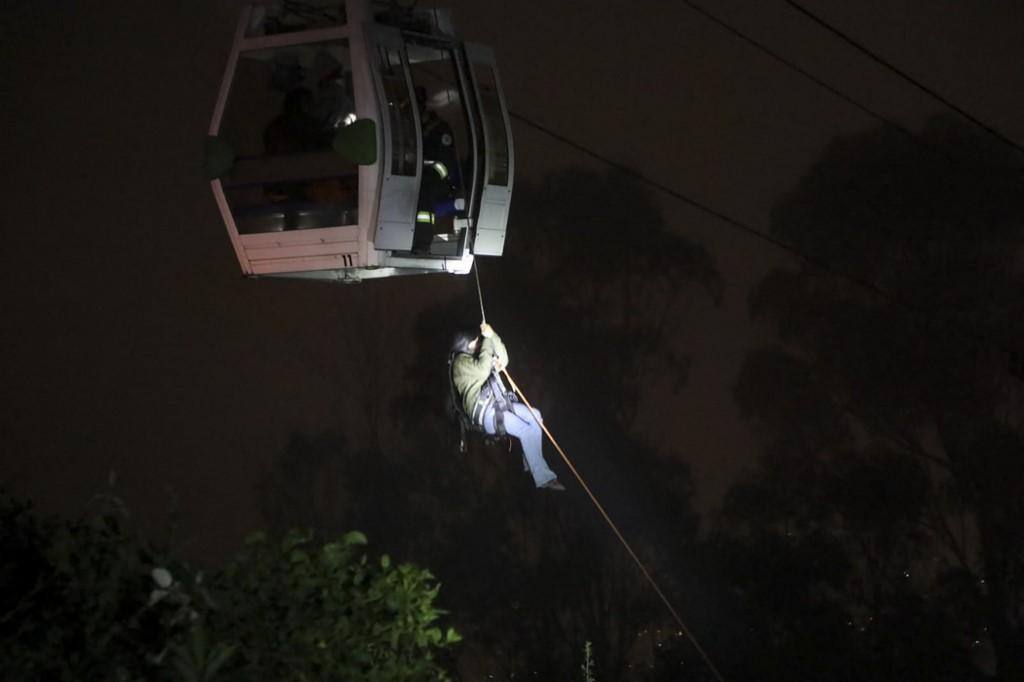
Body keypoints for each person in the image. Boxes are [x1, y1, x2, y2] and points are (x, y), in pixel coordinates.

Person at [451, 324, 565, 491]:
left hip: (498, 403)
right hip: (486, 413)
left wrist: (493, 335)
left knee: (535, 415)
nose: (478, 343)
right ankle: (543, 478)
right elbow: (483, 370)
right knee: (525, 431)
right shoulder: (459, 364)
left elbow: (503, 360)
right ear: (464, 345)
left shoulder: (478, 357)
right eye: (475, 341)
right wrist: (488, 341)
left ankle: (530, 459)